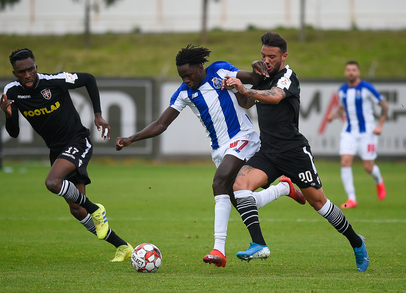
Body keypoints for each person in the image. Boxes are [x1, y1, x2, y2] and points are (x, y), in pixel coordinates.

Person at [115, 44, 306, 268]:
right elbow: (160, 124)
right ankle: (283, 188)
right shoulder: (184, 93)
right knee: (241, 200)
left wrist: (256, 67)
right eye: (181, 76)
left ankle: (218, 249)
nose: (185, 79)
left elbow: (254, 78)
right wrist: (131, 138)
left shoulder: (219, 70)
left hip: (242, 137)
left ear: (199, 67)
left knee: (219, 182)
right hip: (219, 149)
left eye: (188, 75)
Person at [224, 32, 369, 271]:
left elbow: (276, 97)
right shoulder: (263, 76)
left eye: (272, 56)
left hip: (294, 152)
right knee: (239, 186)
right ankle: (258, 243)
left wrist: (247, 89)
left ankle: (356, 242)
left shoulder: (288, 76)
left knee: (319, 204)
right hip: (268, 151)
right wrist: (236, 88)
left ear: (284, 56)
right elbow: (246, 103)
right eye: (263, 55)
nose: (266, 60)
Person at [0, 48, 133, 262]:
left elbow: (89, 79)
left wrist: (98, 115)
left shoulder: (54, 81)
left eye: (31, 69)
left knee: (53, 182)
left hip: (77, 141)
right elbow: (13, 132)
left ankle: (97, 210)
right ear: (15, 73)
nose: (27, 75)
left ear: (36, 67)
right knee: (77, 210)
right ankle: (123, 246)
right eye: (21, 71)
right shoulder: (12, 92)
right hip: (57, 150)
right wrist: (7, 115)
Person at [327, 61, 388, 209]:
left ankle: (378, 180)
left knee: (368, 167)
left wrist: (380, 125)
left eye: (354, 70)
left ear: (358, 72)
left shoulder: (367, 88)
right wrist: (333, 116)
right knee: (345, 162)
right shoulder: (342, 90)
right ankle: (351, 198)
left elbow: (384, 105)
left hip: (367, 133)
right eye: (348, 70)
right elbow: (342, 109)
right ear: (345, 73)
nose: (351, 72)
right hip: (349, 133)